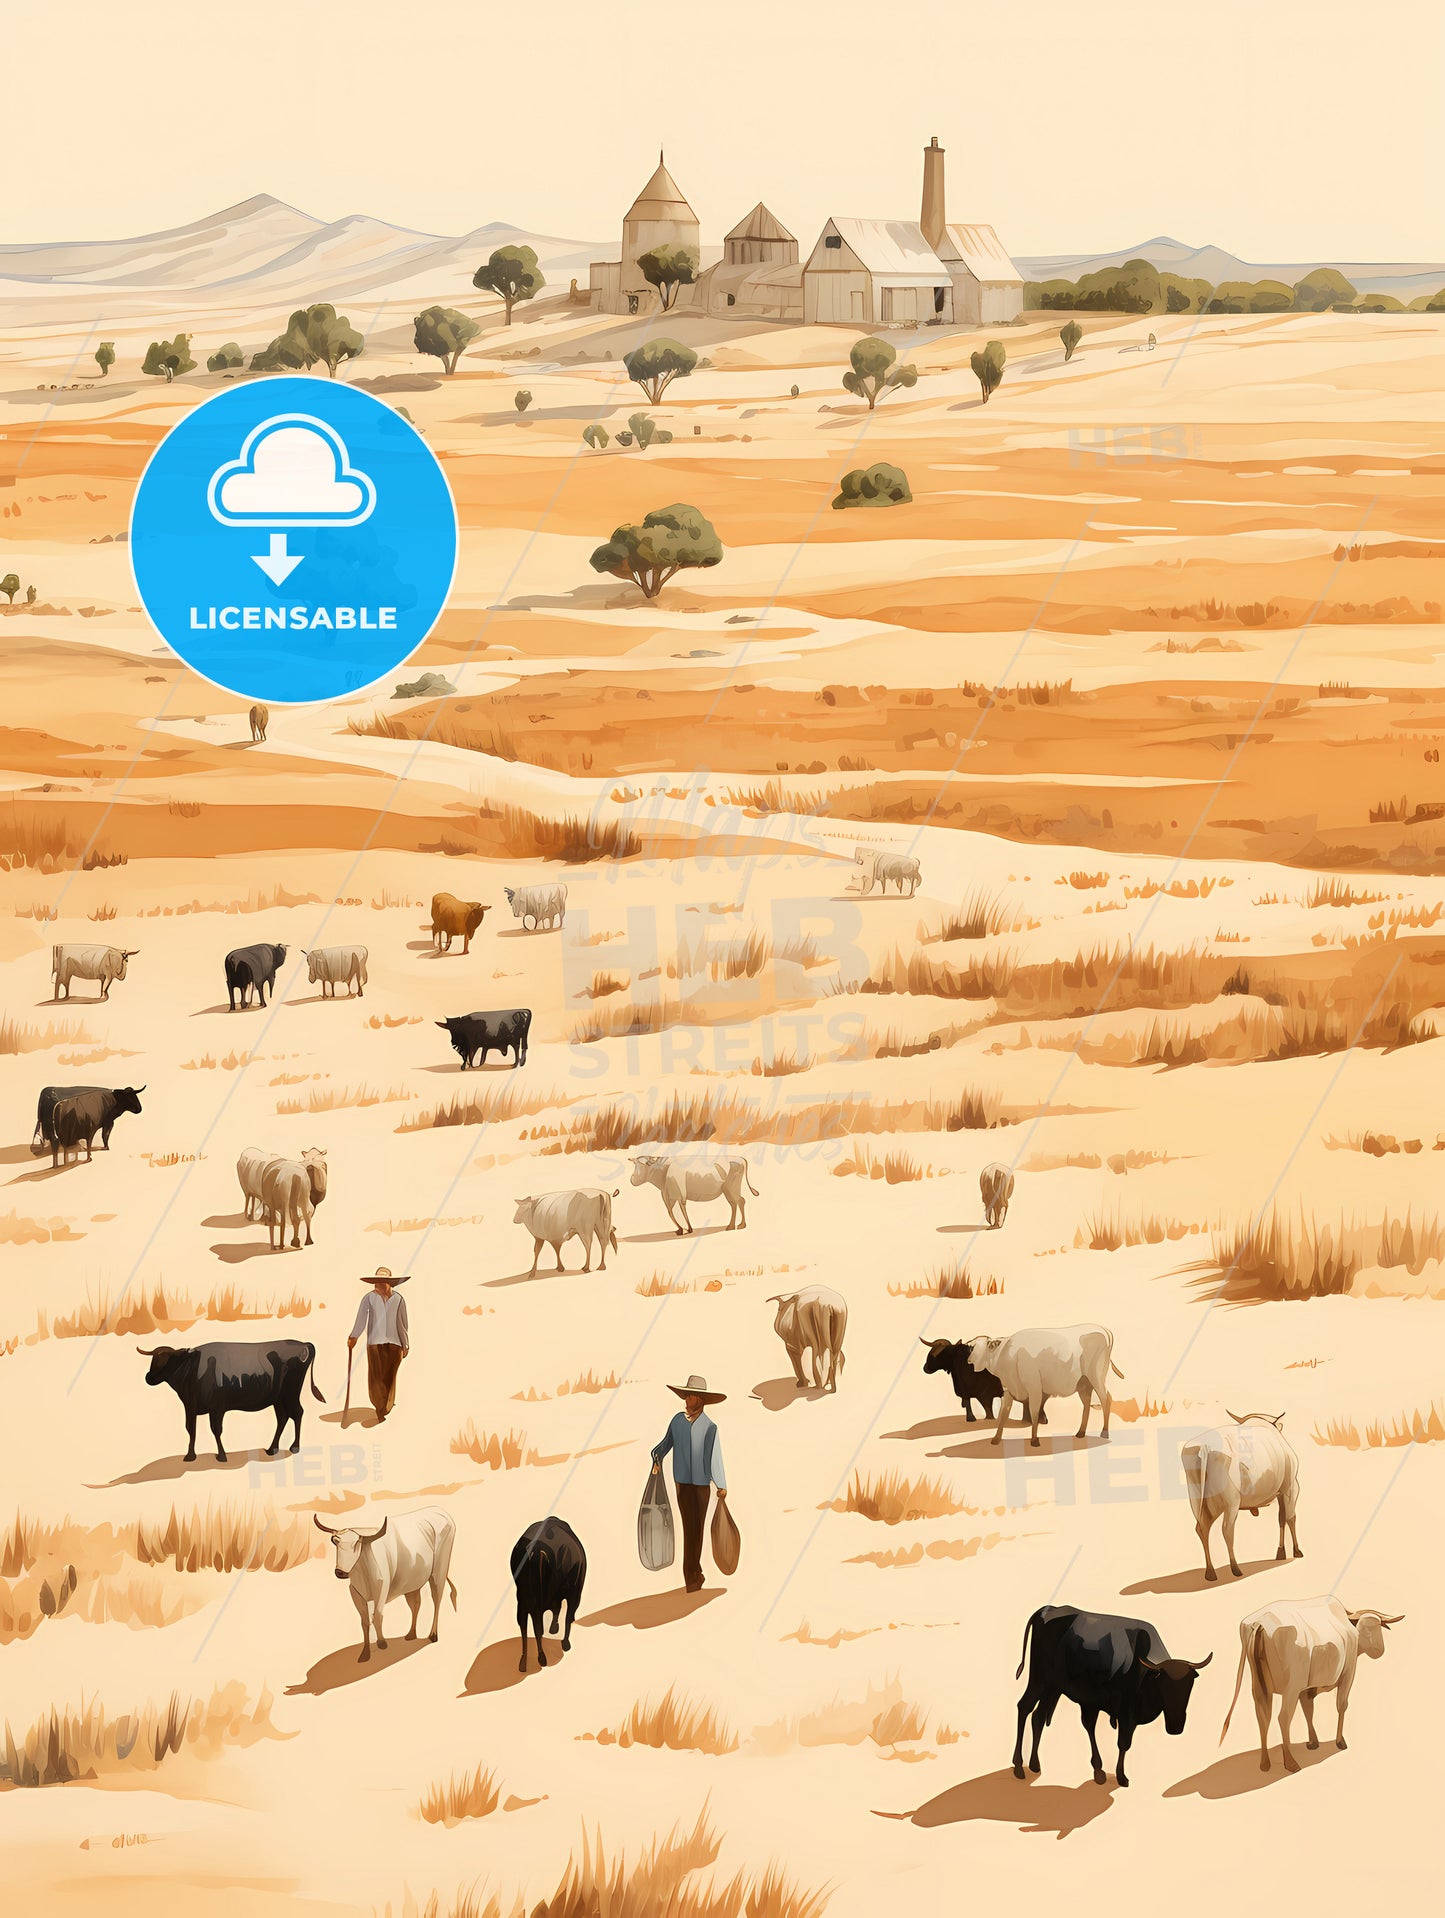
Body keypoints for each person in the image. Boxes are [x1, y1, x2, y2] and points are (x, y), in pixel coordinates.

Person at [651, 1373, 727, 1593]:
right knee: (689, 1528)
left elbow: (715, 1458)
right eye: (687, 1395)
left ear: (700, 1400)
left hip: (702, 1485)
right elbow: (665, 1444)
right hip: (682, 1484)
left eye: (691, 1396)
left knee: (698, 1530)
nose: (687, 1399)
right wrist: (656, 1456)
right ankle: (692, 1576)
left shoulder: (710, 1427)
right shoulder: (677, 1421)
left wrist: (720, 1484)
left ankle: (694, 1572)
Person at [349, 1267, 409, 1423]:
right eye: (376, 1283)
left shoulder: (398, 1299)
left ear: (389, 1284)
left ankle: (386, 1405)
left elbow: (402, 1324)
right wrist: (354, 1336)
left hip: (395, 1344)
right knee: (376, 1378)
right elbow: (361, 1318)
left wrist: (406, 1344)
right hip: (374, 1343)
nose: (377, 1286)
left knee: (389, 1376)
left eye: (381, 1283)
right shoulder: (369, 1298)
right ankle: (379, 1407)